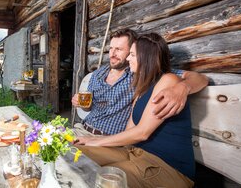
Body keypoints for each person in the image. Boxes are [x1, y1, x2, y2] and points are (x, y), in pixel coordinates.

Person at [75, 33, 195, 187]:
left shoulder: (168, 80)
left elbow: (142, 133)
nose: (127, 59)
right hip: (133, 152)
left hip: (165, 165)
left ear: (146, 58)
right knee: (74, 153)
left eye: (131, 54)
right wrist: (92, 141)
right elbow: (130, 129)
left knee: (97, 179)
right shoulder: (141, 88)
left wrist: (96, 142)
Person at [72, 28, 208, 135]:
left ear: (133, 51)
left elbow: (200, 78)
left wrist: (183, 88)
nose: (112, 54)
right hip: (82, 128)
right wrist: (81, 104)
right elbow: (88, 107)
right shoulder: (97, 74)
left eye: (119, 49)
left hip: (108, 138)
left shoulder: (140, 73)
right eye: (111, 48)